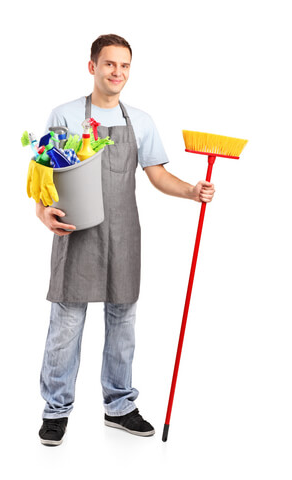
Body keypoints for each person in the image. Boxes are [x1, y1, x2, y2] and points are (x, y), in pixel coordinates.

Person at [36, 34, 215, 446]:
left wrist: (190, 190)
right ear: (92, 66)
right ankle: (56, 411)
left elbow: (157, 174)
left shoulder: (142, 120)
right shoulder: (63, 115)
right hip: (75, 232)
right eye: (109, 64)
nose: (117, 72)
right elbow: (41, 178)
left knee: (123, 322)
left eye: (124, 66)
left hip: (124, 234)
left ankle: (119, 406)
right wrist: (43, 213)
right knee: (66, 324)